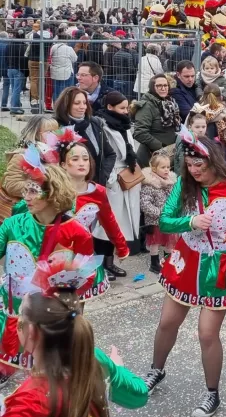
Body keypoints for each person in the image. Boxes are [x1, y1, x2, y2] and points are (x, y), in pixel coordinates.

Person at [143, 133, 226, 417]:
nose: (195, 170)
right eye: (190, 164)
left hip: (220, 268)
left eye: (200, 164)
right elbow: (165, 222)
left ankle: (212, 393)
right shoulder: (184, 186)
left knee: (207, 334)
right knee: (167, 323)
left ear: (213, 160)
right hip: (187, 263)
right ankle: (155, 370)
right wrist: (191, 221)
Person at [3, 257, 149, 415]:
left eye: (19, 317)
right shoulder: (93, 359)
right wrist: (116, 370)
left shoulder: (27, 403)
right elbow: (139, 394)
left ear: (31, 332)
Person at [0, 146, 99, 377]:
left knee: (48, 373)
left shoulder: (76, 232)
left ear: (52, 192)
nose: (26, 197)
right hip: (14, 307)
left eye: (34, 191)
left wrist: (66, 279)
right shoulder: (13, 224)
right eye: (26, 190)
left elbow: (89, 274)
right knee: (14, 360)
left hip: (52, 314)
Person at [47, 127, 130, 284]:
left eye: (85, 159)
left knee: (80, 300)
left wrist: (121, 246)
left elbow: (109, 221)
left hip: (84, 255)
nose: (82, 163)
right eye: (75, 159)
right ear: (63, 164)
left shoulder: (97, 192)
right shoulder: (53, 190)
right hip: (54, 253)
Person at [96, 91, 142, 255]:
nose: (126, 111)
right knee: (109, 221)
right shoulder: (103, 125)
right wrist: (110, 178)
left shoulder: (124, 124)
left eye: (127, 108)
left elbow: (129, 147)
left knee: (121, 222)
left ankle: (111, 260)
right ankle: (104, 261)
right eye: (122, 108)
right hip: (114, 175)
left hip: (127, 173)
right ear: (110, 107)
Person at [53, 86, 117, 186]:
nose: (82, 106)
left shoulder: (95, 123)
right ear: (66, 105)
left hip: (95, 185)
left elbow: (110, 154)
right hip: (67, 187)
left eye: (84, 103)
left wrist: (103, 175)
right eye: (77, 103)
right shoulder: (56, 126)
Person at [0, 115, 58, 220]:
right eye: (49, 132)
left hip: (44, 210)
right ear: (36, 134)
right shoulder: (21, 156)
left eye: (55, 131)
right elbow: (11, 184)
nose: (54, 135)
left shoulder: (53, 156)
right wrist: (40, 187)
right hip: (22, 211)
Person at [140, 152, 178, 274]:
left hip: (169, 218)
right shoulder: (150, 184)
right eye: (163, 167)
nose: (166, 170)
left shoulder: (171, 182)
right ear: (154, 168)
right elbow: (145, 204)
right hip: (155, 220)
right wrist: (159, 213)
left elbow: (175, 198)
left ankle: (167, 260)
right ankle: (154, 263)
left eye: (168, 167)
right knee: (155, 242)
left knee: (169, 240)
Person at [132, 74, 181, 168]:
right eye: (159, 86)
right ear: (152, 88)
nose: (163, 88)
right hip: (151, 158)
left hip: (167, 157)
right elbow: (140, 133)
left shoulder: (169, 103)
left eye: (165, 85)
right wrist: (160, 146)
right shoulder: (147, 106)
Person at [49, 34, 78, 102]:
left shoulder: (53, 47)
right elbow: (75, 59)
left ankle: (56, 105)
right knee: (66, 91)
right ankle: (65, 105)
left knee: (56, 91)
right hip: (66, 72)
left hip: (55, 72)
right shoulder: (69, 48)